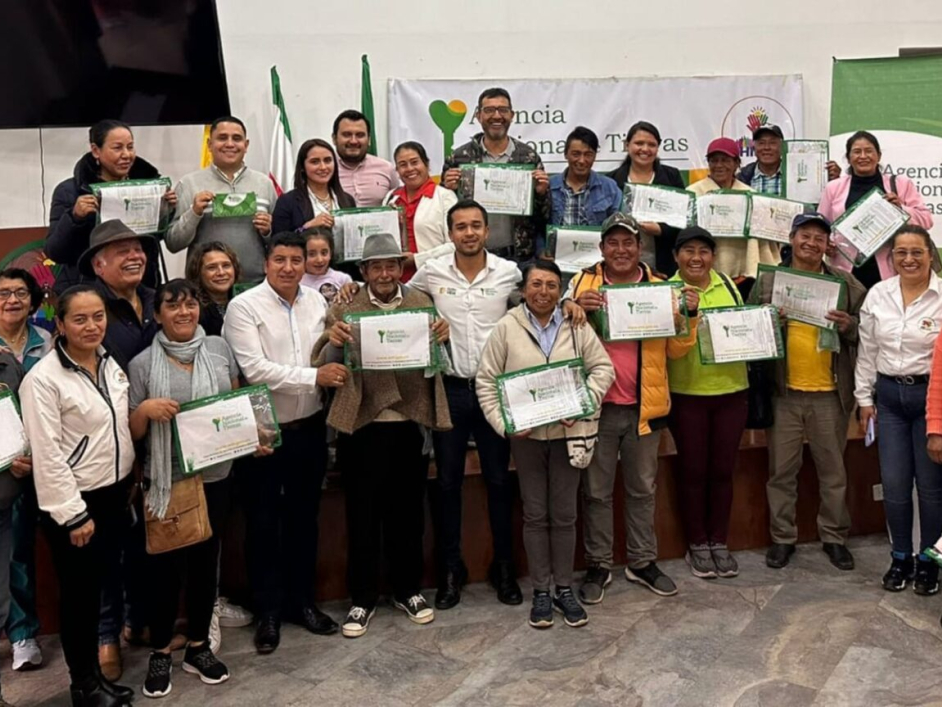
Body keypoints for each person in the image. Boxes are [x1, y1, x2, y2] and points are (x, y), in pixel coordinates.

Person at [314, 232, 451, 638]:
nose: (385, 272)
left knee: (408, 514)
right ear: (364, 271)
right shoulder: (346, 305)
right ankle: (362, 598)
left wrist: (441, 340)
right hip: (362, 424)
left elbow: (435, 365)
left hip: (409, 422)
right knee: (362, 515)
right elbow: (324, 360)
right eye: (377, 266)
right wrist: (333, 339)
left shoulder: (420, 304)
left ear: (400, 268)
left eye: (392, 264)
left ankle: (407, 590)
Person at [223, 231, 346, 654]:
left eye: (297, 260)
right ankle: (268, 612)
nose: (290, 267)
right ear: (267, 261)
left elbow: (326, 353)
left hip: (309, 427)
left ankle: (302, 603)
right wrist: (315, 378)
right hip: (264, 433)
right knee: (261, 524)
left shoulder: (317, 301)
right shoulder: (243, 306)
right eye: (281, 260)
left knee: (304, 521)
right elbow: (255, 369)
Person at [566, 213, 699, 602]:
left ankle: (642, 561)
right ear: (602, 247)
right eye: (613, 243)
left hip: (646, 406)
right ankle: (598, 565)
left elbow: (676, 350)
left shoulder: (662, 286)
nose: (621, 250)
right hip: (598, 407)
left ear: (640, 247)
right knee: (596, 492)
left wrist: (689, 315)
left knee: (642, 489)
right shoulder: (582, 283)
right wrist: (577, 309)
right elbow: (562, 341)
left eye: (629, 242)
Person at [128, 279, 251, 698]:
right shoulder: (143, 364)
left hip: (217, 477)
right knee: (164, 571)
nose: (184, 312)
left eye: (190, 305)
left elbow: (236, 402)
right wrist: (145, 410)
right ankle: (161, 650)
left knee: (205, 567)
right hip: (169, 481)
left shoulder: (218, 349)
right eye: (173, 306)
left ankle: (198, 646)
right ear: (158, 314)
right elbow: (133, 432)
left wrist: (255, 434)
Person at [478, 260, 615, 629]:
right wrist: (506, 424)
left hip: (569, 437)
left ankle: (564, 589)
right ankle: (541, 591)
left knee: (566, 514)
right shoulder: (507, 328)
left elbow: (603, 369)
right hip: (528, 439)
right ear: (523, 289)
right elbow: (486, 382)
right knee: (536, 515)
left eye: (552, 285)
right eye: (536, 284)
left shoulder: (576, 324)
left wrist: (582, 402)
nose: (543, 292)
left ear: (561, 290)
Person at [21, 285, 136, 707]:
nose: (92, 326)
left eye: (98, 316)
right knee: (80, 598)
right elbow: (47, 455)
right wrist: (72, 515)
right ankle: (84, 685)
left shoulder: (109, 363)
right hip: (75, 505)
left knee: (100, 588)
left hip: (112, 495)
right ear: (61, 324)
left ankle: (95, 681)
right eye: (80, 319)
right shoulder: (44, 379)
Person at [749, 213, 866, 570]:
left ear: (827, 245)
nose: (811, 243)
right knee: (781, 472)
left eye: (819, 237)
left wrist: (849, 326)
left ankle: (833, 537)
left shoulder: (847, 285)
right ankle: (783, 538)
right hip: (783, 393)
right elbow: (747, 329)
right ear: (792, 238)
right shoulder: (768, 281)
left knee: (833, 472)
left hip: (830, 394)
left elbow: (867, 332)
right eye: (805, 236)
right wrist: (769, 322)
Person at [78, 219, 157, 677]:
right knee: (109, 546)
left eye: (139, 248)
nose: (134, 256)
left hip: (161, 437)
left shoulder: (155, 301)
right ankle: (106, 635)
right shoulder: (91, 309)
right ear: (98, 263)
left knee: (148, 542)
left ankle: (136, 619)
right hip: (111, 446)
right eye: (121, 250)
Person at [856, 225, 942, 594]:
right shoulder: (878, 294)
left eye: (917, 252)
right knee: (893, 485)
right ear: (891, 259)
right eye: (901, 253)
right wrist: (864, 400)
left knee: (931, 489)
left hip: (930, 401)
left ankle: (930, 561)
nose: (909, 259)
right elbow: (867, 351)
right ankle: (900, 556)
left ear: (930, 255)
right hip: (889, 398)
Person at [666, 226, 750, 578]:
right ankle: (697, 543)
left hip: (732, 391)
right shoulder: (664, 290)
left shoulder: (729, 286)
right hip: (687, 393)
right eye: (688, 251)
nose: (696, 258)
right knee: (693, 471)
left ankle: (719, 540)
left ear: (713, 257)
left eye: (703, 251)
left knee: (722, 471)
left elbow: (746, 331)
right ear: (676, 257)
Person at [47, 119, 176, 293]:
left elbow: (153, 241)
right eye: (117, 148)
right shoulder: (70, 191)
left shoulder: (149, 186)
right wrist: (75, 218)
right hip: (87, 291)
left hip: (140, 288)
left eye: (130, 147)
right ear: (95, 150)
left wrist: (165, 212)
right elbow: (56, 252)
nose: (126, 155)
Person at [0, 269, 52, 674]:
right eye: (3, 293)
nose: (12, 300)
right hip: (5, 469)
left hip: (46, 459)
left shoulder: (48, 343)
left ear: (33, 301)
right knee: (14, 550)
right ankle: (21, 634)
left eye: (20, 293)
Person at [441, 88, 551, 263]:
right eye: (489, 110)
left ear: (512, 115)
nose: (497, 116)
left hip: (518, 257)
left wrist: (541, 193)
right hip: (471, 256)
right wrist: (450, 191)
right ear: (478, 115)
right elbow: (443, 213)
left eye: (503, 110)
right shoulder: (459, 158)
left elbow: (543, 217)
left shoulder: (527, 157)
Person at [166, 116, 276, 284]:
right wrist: (194, 213)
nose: (230, 144)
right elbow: (173, 243)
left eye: (237, 139)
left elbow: (279, 242)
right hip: (204, 290)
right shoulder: (189, 183)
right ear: (210, 144)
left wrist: (268, 231)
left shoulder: (264, 184)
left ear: (246, 145)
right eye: (222, 138)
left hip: (255, 285)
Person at [819, 130, 934, 289]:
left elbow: (926, 220)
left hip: (889, 272)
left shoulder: (900, 184)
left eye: (869, 151)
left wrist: (901, 209)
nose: (863, 156)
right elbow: (822, 226)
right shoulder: (833, 188)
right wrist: (827, 243)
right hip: (845, 272)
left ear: (879, 156)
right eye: (857, 152)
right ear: (848, 158)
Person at [688, 137, 780, 298]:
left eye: (725, 160)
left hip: (743, 276)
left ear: (737, 163)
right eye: (714, 160)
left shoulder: (751, 195)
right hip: (705, 274)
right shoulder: (693, 193)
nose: (719, 165)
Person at [608, 121, 686, 276]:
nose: (645, 149)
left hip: (664, 263)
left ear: (658, 147)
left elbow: (684, 221)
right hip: (622, 264)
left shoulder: (672, 177)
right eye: (639, 143)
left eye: (651, 144)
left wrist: (661, 230)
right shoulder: (612, 181)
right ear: (627, 145)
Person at [0, 351, 30, 706]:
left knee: (1, 602)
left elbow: (25, 425)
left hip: (3, 508)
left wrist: (26, 457)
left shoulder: (8, 364)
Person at [384, 141, 458, 281]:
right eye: (403, 165)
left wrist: (417, 259)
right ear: (397, 171)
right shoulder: (391, 198)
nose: (410, 168)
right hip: (394, 281)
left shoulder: (444, 197)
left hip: (434, 278)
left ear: (427, 164)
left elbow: (455, 245)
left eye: (414, 162)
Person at [271, 139, 356, 235]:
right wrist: (306, 228)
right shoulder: (287, 202)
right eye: (315, 162)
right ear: (302, 167)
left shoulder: (348, 200)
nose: (323, 167)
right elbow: (278, 243)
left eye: (327, 160)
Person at [548, 127, 622, 232]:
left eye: (588, 154)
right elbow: (538, 228)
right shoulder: (549, 186)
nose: (582, 161)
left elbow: (618, 226)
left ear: (595, 156)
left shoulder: (610, 188)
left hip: (597, 248)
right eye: (576, 154)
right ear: (565, 154)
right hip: (556, 248)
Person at [332, 109, 400, 207]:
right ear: (334, 139)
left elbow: (398, 201)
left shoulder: (387, 168)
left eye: (360, 135)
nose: (353, 141)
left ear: (369, 140)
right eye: (347, 135)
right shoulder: (325, 170)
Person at [184, 241, 242, 337]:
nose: (221, 272)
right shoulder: (194, 311)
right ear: (197, 273)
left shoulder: (246, 301)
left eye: (226, 266)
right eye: (212, 268)